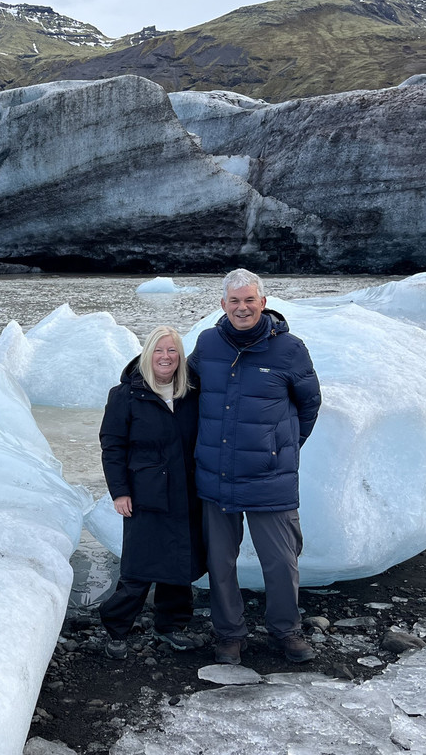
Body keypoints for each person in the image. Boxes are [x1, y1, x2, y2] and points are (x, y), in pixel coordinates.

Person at [188, 268, 321, 665]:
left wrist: (282, 448)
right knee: (221, 562)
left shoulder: (290, 349)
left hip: (269, 477)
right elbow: (187, 390)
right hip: (216, 475)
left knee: (281, 561)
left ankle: (287, 630)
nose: (242, 308)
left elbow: (310, 404)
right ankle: (229, 634)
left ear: (264, 303)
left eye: (249, 300)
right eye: (234, 301)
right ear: (223, 304)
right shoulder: (208, 344)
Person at [98, 325, 206, 660]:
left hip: (186, 491)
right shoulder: (126, 395)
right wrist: (119, 491)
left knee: (179, 561)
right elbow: (112, 446)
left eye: (172, 351)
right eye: (158, 351)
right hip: (145, 492)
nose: (165, 357)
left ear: (180, 357)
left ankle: (170, 626)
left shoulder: (191, 392)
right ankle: (116, 628)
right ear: (147, 354)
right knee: (138, 565)